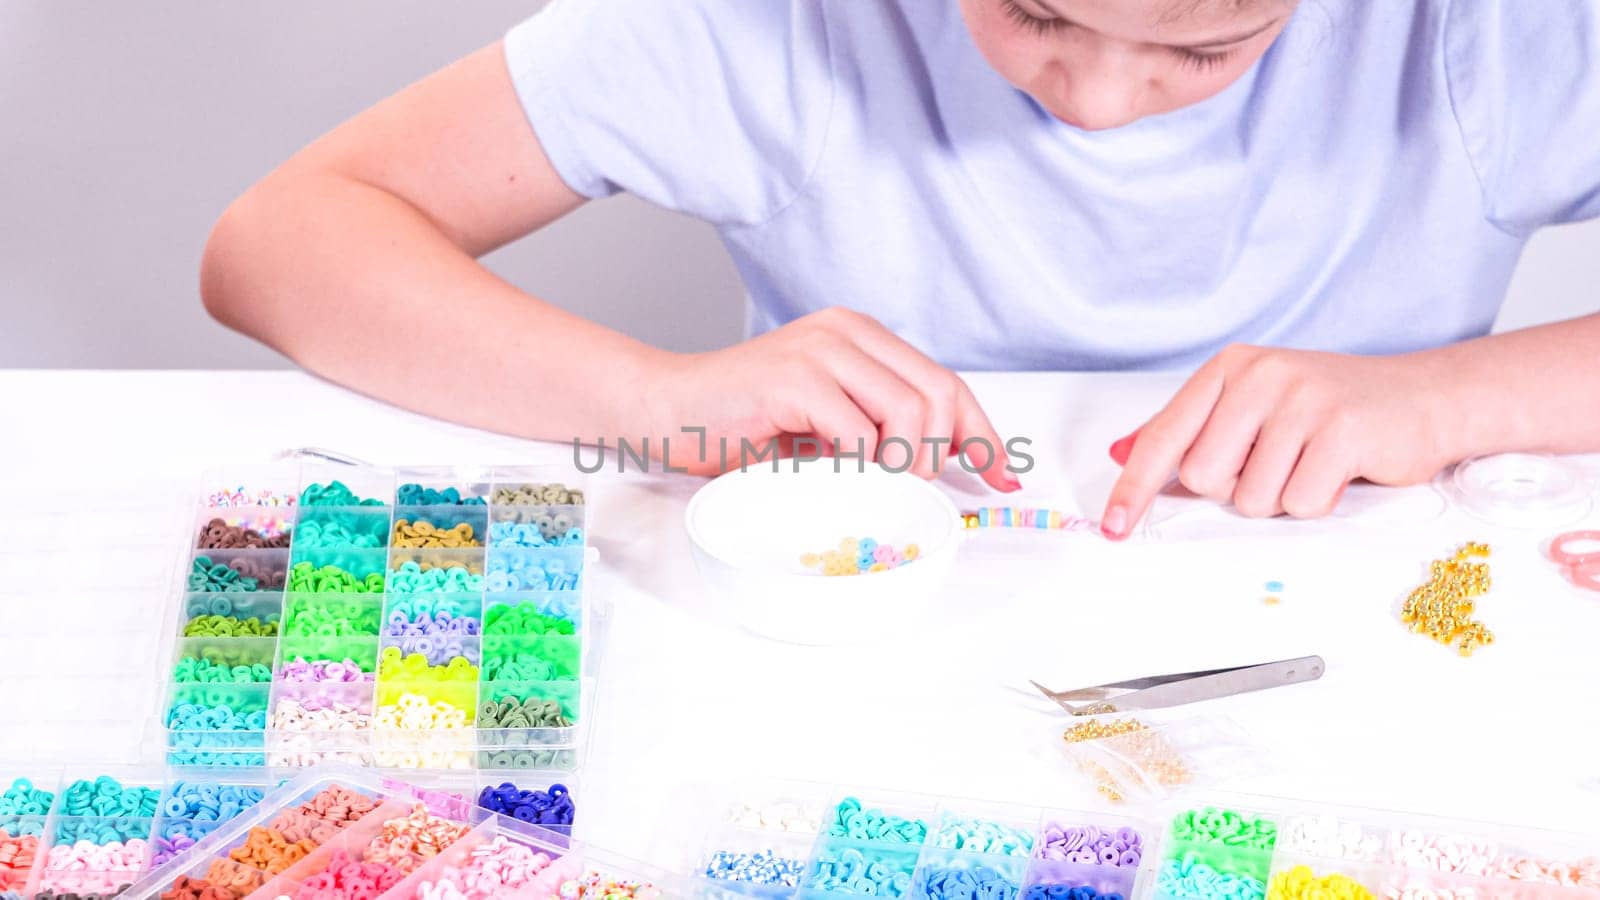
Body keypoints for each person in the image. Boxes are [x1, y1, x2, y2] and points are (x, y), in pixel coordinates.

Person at [199, 0, 1600, 539]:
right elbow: (279, 243)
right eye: (1034, 13)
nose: (1100, 100)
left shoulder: (1491, 33)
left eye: (1207, 50)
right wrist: (655, 395)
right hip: (847, 625)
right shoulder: (776, 26)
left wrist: (1443, 399)